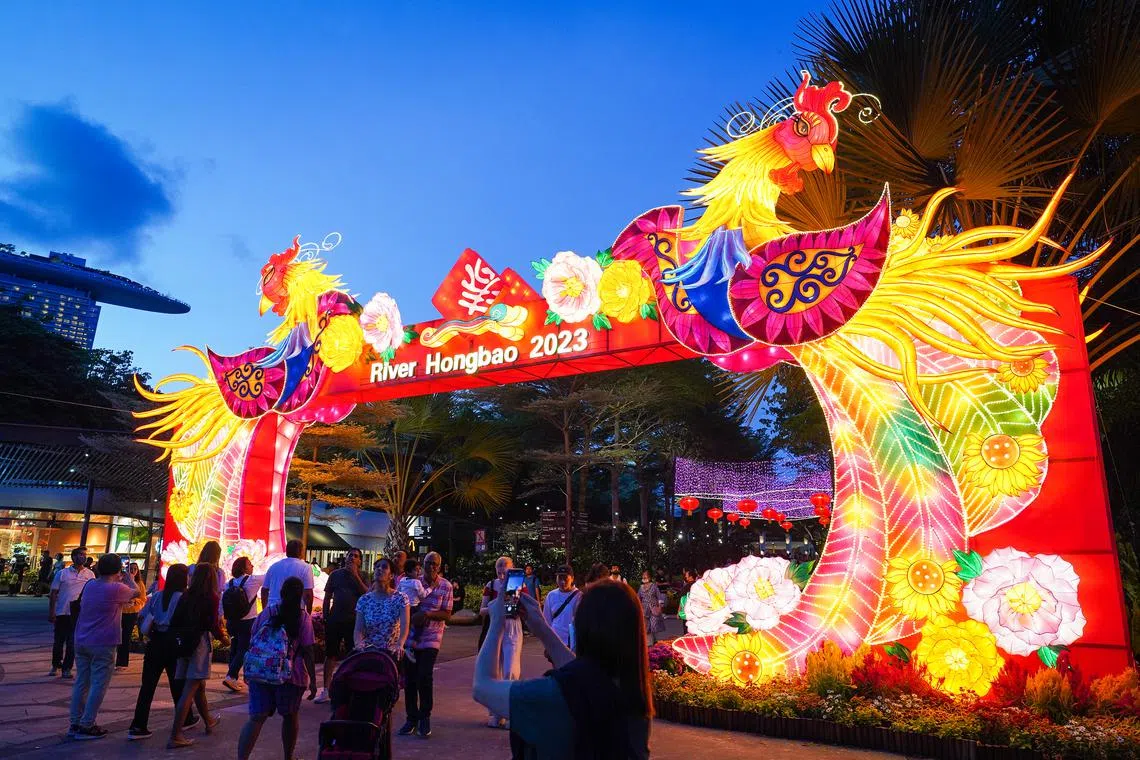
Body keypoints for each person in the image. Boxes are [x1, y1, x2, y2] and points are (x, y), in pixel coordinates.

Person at [473, 580, 653, 760]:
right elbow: (588, 678)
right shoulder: (634, 701)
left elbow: (482, 687)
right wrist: (542, 629)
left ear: (582, 629)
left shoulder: (553, 695)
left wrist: (496, 622)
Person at [237, 576, 317, 760]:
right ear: (302, 596)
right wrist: (313, 680)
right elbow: (308, 651)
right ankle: (288, 756)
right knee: (289, 717)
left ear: (281, 593)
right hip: (291, 675)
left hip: (261, 672)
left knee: (256, 718)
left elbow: (253, 638)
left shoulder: (268, 613)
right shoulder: (303, 619)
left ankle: (242, 757)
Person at [68, 552, 145, 740]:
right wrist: (128, 577)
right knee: (98, 684)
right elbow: (137, 592)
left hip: (82, 639)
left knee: (82, 682)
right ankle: (87, 724)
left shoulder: (90, 584)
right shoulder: (116, 588)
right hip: (103, 642)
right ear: (118, 569)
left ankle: (75, 722)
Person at [128, 563, 199, 740]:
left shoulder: (158, 595)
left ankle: (138, 725)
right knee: (178, 683)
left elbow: (143, 616)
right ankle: (186, 718)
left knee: (148, 686)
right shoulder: (184, 598)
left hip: (155, 642)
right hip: (173, 643)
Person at [166, 562, 227, 749]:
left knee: (198, 685)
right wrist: (223, 638)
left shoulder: (186, 595)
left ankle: (208, 720)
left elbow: (174, 620)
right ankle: (176, 734)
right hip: (198, 643)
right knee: (190, 688)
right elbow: (211, 623)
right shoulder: (211, 597)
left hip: (183, 643)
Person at [398, 551, 452, 738]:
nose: (431, 567)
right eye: (429, 563)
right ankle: (411, 718)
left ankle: (424, 716)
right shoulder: (414, 582)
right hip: (411, 637)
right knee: (410, 679)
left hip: (432, 637)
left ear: (440, 566)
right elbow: (402, 603)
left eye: (435, 564)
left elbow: (447, 614)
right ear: (423, 563)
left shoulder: (446, 586)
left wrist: (428, 615)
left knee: (424, 676)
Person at [315, 547, 368, 703]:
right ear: (345, 558)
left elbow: (367, 594)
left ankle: (349, 687)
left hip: (354, 621)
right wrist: (326, 617)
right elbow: (327, 596)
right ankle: (326, 689)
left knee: (352, 654)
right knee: (331, 654)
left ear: (360, 561)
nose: (352, 558)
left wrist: (355, 576)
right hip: (335, 619)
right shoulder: (335, 575)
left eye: (356, 556)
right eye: (350, 555)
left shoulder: (364, 576)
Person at [479, 556, 523, 729]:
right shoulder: (491, 586)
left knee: (511, 670)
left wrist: (515, 606)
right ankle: (495, 713)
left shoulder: (519, 585)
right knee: (494, 672)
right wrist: (495, 606)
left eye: (505, 568)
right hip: (496, 627)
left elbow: (525, 607)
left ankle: (511, 712)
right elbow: (482, 610)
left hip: (512, 627)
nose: (502, 571)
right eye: (499, 568)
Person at [48, 546, 94, 678]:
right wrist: (51, 612)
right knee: (58, 642)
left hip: (79, 614)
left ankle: (67, 668)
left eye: (84, 555)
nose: (82, 557)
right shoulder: (62, 573)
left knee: (72, 642)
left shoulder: (90, 575)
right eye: (80, 554)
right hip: (62, 612)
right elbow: (53, 593)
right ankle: (56, 664)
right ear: (73, 557)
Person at [221, 556, 263, 693]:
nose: (252, 567)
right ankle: (231, 675)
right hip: (247, 621)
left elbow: (222, 603)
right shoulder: (252, 580)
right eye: (250, 565)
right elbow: (269, 576)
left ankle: (232, 677)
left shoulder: (229, 583)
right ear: (244, 568)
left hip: (232, 622)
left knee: (235, 647)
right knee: (243, 649)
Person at [354, 557, 410, 656]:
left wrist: (399, 645)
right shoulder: (364, 600)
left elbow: (405, 625)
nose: (379, 569)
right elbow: (358, 629)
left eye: (384, 567)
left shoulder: (400, 598)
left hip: (390, 652)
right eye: (377, 567)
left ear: (391, 575)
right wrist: (359, 644)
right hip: (368, 652)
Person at [261, 539, 315, 612]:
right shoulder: (306, 567)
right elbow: (308, 594)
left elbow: (264, 590)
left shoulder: (274, 566)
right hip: (295, 611)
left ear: (287, 552)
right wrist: (308, 614)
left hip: (273, 609)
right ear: (301, 552)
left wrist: (265, 610)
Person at [116, 562, 147, 669]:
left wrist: (135, 602)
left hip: (132, 612)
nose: (133, 570)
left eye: (135, 569)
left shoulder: (139, 584)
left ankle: (122, 662)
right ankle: (115, 660)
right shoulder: (121, 581)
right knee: (117, 636)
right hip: (120, 612)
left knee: (126, 637)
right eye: (131, 568)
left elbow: (143, 599)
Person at [397, 559, 429, 662]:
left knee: (404, 627)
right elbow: (423, 595)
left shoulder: (402, 580)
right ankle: (413, 645)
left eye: (419, 569)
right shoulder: (416, 582)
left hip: (403, 607)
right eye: (416, 570)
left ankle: (403, 645)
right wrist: (431, 588)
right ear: (409, 572)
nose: (419, 572)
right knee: (421, 623)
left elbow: (397, 592)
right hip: (414, 607)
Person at [542, 565, 581, 648]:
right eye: (560, 578)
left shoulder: (579, 596)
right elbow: (547, 620)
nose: (562, 582)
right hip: (555, 641)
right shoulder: (551, 595)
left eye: (565, 578)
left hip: (572, 643)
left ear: (572, 578)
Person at [638, 571, 666, 645]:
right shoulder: (641, 588)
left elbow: (659, 596)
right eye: (643, 576)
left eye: (645, 576)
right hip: (644, 610)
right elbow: (638, 598)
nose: (644, 577)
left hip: (653, 609)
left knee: (654, 626)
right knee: (646, 627)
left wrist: (660, 607)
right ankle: (649, 643)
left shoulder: (654, 586)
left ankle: (654, 641)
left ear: (649, 577)